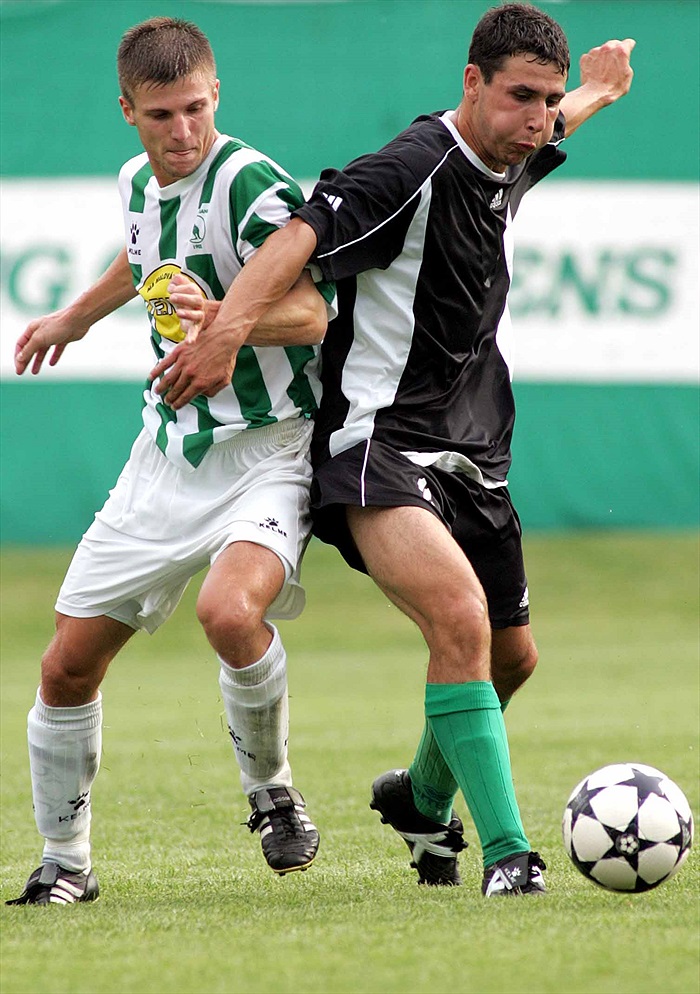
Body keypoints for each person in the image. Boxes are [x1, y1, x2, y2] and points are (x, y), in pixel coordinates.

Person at [143, 4, 635, 896]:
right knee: (460, 621)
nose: (537, 118)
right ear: (471, 84)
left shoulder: (510, 147)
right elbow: (299, 237)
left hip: (473, 448)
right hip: (377, 444)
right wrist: (227, 332)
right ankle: (509, 857)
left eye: (548, 100)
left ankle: (419, 797)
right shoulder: (411, 167)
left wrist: (594, 92)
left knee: (513, 658)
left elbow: (549, 120)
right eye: (520, 97)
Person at [7, 16, 337, 906]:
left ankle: (272, 793)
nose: (183, 130)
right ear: (128, 111)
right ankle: (65, 863)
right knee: (65, 667)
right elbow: (143, 257)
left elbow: (312, 313)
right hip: (165, 454)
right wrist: (75, 317)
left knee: (229, 613)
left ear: (216, 93)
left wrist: (227, 324)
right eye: (161, 115)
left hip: (268, 448)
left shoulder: (250, 182)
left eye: (196, 108)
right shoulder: (134, 181)